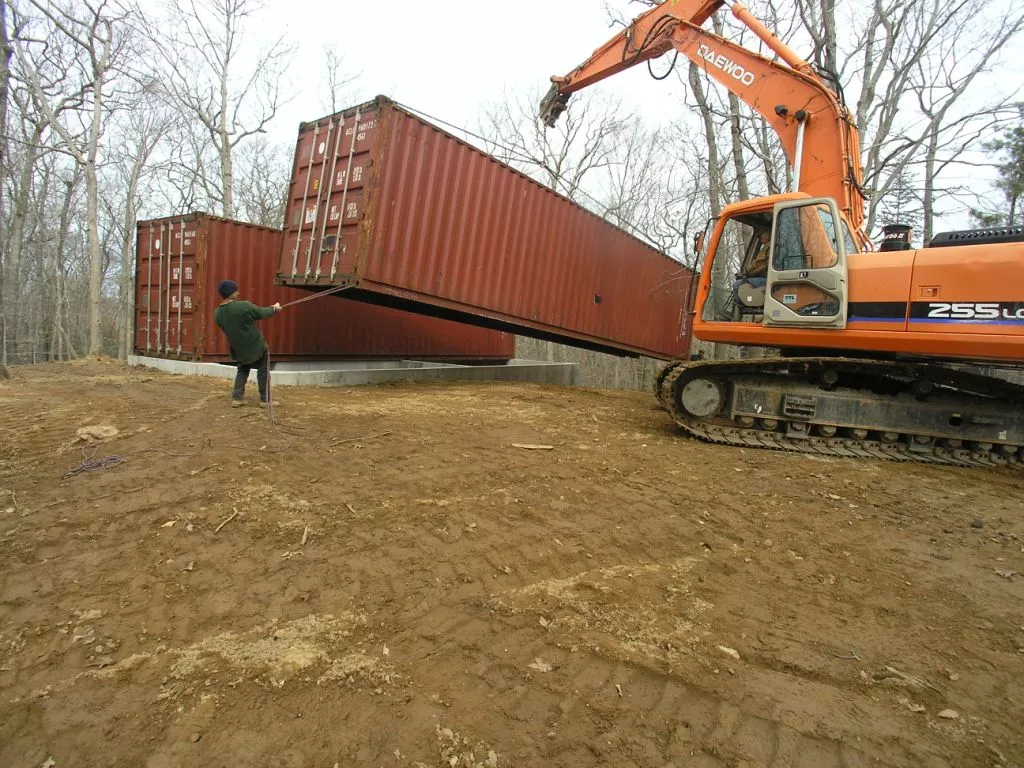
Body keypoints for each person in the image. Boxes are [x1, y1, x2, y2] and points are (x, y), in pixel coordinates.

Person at [213, 279, 281, 407]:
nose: (238, 293)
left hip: (239, 349)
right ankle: (265, 400)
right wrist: (275, 308)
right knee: (263, 372)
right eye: (235, 290)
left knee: (242, 370)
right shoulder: (243, 306)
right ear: (231, 293)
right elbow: (263, 313)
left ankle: (237, 398)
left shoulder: (217, 313)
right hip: (257, 346)